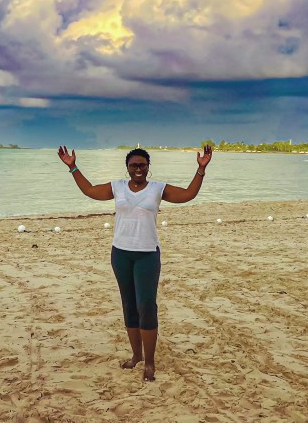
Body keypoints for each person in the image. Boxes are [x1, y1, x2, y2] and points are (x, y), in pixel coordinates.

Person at [58, 143, 213, 382]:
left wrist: (201, 169)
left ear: (148, 167)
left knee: (146, 306)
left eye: (142, 165)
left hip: (147, 254)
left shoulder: (158, 188)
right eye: (133, 165)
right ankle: (136, 356)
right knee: (129, 305)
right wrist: (73, 167)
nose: (138, 169)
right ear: (127, 167)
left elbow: (188, 195)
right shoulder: (117, 187)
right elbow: (89, 190)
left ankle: (149, 362)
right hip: (120, 253)